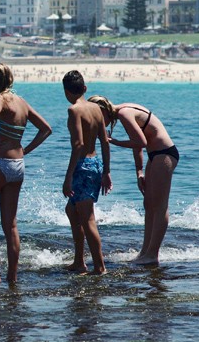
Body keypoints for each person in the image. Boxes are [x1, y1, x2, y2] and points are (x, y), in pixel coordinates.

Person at [0, 63, 52, 285]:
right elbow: (46, 129)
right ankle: (13, 277)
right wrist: (26, 149)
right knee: (11, 225)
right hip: (18, 165)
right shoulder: (21, 102)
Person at [88, 95, 177, 266]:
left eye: (97, 118)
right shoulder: (123, 111)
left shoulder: (124, 113)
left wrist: (113, 141)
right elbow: (139, 143)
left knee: (159, 205)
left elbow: (141, 142)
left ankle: (152, 254)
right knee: (149, 204)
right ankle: (145, 251)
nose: (98, 123)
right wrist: (139, 172)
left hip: (164, 154)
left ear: (103, 111)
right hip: (155, 155)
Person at [62, 71, 112, 275]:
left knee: (88, 218)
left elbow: (78, 145)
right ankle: (79, 261)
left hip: (82, 166)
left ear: (66, 91)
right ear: (84, 88)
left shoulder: (74, 110)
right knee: (72, 211)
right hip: (95, 163)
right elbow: (105, 142)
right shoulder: (96, 109)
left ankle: (100, 266)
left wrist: (68, 177)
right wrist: (106, 171)